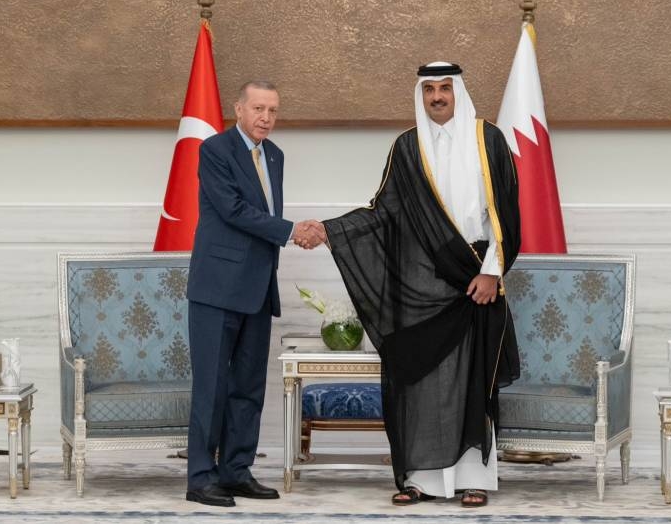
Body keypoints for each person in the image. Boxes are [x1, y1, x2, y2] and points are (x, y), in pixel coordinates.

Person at [312, 62, 521, 508]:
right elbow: (382, 211)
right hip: (419, 281)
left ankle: (473, 479)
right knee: (421, 381)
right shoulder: (407, 147)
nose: (437, 97)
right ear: (421, 95)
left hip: (474, 278)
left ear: (458, 91)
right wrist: (330, 230)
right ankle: (420, 480)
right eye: (429, 90)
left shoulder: (489, 141)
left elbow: (506, 213)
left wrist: (491, 272)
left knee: (470, 380)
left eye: (445, 88)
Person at [185, 80, 322, 507]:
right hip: (216, 288)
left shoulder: (274, 155)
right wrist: (292, 231)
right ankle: (201, 478)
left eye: (273, 110)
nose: (266, 118)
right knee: (212, 387)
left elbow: (262, 213)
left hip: (258, 288)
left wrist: (293, 231)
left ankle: (236, 472)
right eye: (258, 108)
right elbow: (234, 210)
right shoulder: (215, 150)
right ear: (239, 109)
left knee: (248, 386)